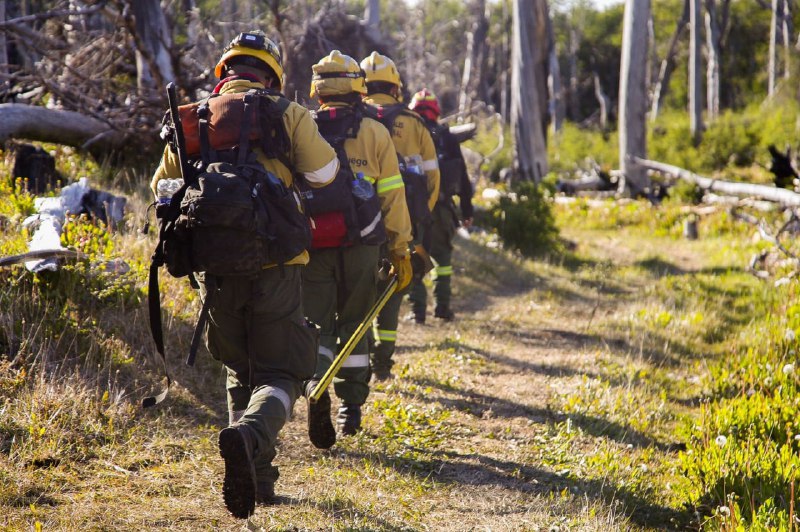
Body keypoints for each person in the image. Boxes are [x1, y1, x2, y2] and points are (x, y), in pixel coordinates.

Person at [150, 31, 338, 519]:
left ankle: (260, 479)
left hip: (215, 268)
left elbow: (162, 188)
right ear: (272, 72)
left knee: (240, 369)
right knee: (283, 372)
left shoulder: (194, 116)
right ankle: (250, 437)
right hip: (277, 264)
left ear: (225, 71)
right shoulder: (286, 111)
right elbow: (324, 175)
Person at [301, 50, 413, 443]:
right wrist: (400, 248)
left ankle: (316, 389)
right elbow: (392, 197)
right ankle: (351, 408)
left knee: (315, 325)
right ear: (357, 87)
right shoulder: (376, 132)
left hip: (313, 245)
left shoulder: (301, 128)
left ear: (318, 90)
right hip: (364, 246)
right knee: (355, 325)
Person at [360, 51, 440, 382]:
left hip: (359, 222)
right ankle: (383, 361)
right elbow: (433, 178)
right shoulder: (415, 123)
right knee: (394, 288)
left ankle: (356, 359)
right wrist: (419, 219)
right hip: (404, 220)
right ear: (396, 87)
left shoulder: (353, 116)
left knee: (360, 291)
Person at [406, 89, 474, 322]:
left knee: (415, 256)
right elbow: (463, 177)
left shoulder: (407, 134)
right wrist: (467, 210)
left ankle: (417, 312)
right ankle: (442, 307)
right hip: (443, 208)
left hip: (414, 209)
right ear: (437, 111)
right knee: (442, 259)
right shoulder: (448, 137)